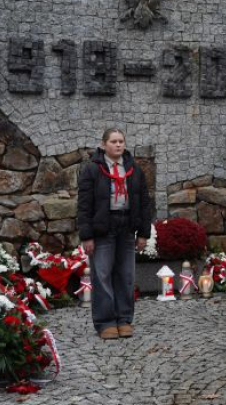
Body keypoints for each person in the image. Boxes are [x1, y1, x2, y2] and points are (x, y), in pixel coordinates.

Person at [77, 128, 153, 340]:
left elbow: (144, 203)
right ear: (104, 145)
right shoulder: (92, 170)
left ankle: (123, 319)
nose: (118, 145)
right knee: (102, 275)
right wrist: (86, 236)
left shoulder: (134, 170)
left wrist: (143, 233)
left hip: (127, 226)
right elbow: (84, 206)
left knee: (126, 275)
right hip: (103, 228)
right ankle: (106, 322)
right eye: (113, 141)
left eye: (121, 141)